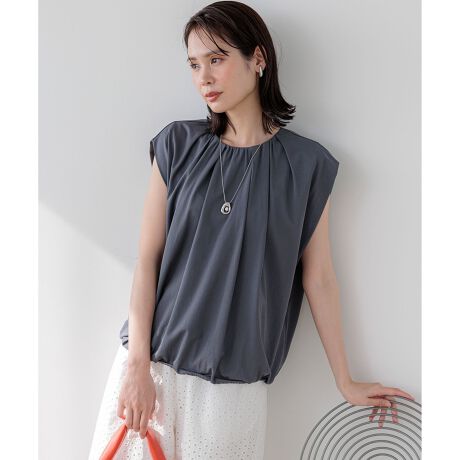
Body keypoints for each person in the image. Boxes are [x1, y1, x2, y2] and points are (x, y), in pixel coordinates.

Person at [88, 1, 415, 459]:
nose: (203, 77)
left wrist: (344, 380)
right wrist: (137, 367)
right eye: (194, 64)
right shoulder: (177, 145)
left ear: (257, 58)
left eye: (216, 59)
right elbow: (147, 260)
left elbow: (319, 278)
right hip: (151, 371)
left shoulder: (305, 166)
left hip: (232, 389)